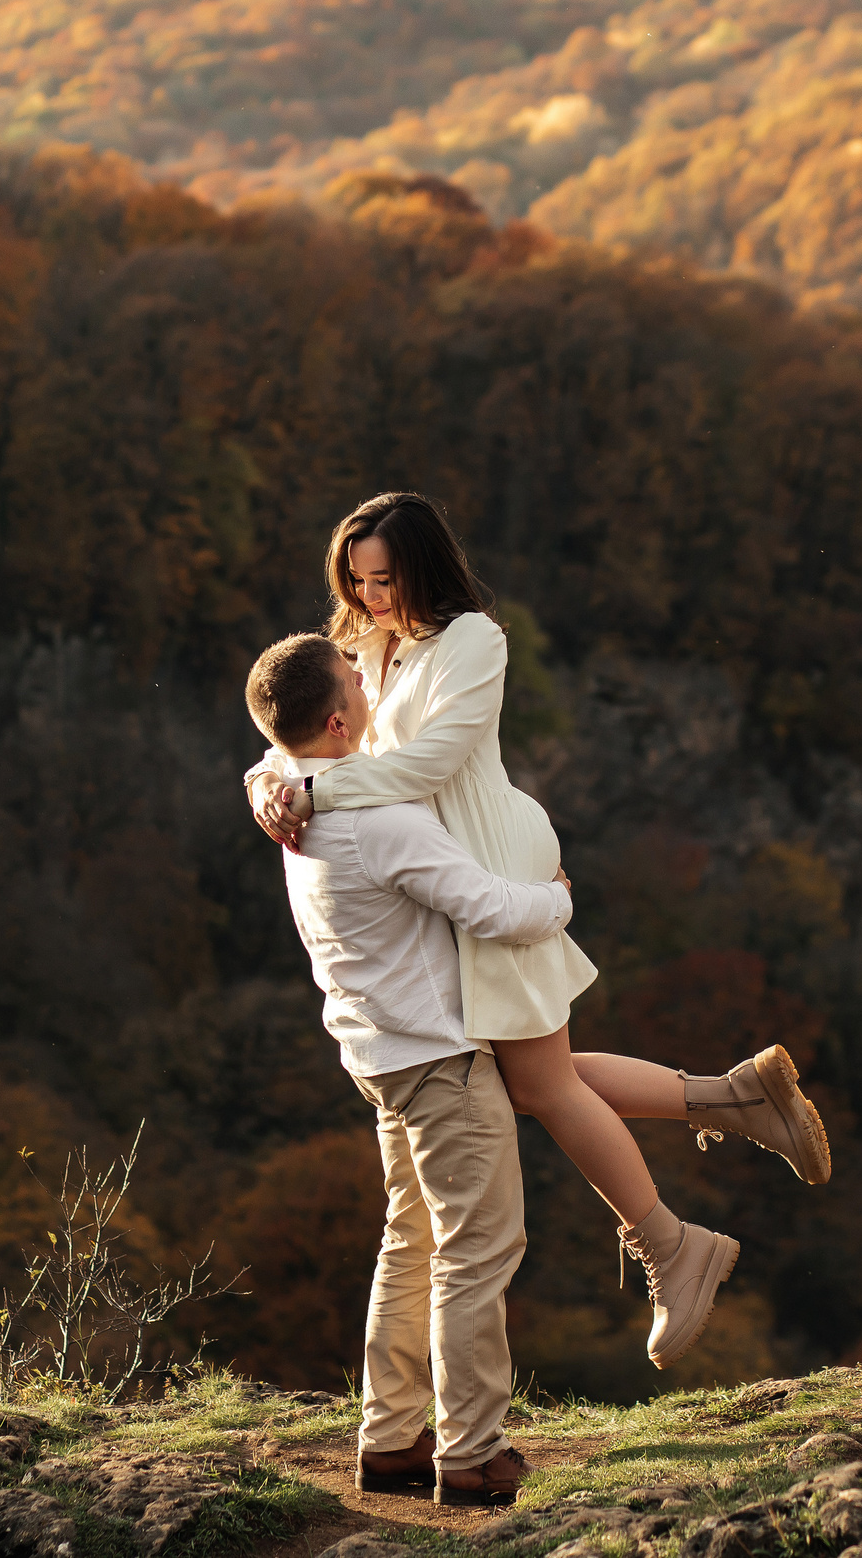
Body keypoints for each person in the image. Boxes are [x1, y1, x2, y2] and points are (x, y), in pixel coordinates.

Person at [245, 492, 831, 1372]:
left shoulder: (475, 639)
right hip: (443, 874)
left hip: (492, 861)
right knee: (530, 1075)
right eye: (356, 581)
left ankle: (677, 1245)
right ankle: (735, 1102)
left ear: (424, 567)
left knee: (538, 1085)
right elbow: (295, 724)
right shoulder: (364, 644)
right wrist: (263, 780)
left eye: (384, 578)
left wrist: (312, 793)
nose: (369, 598)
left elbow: (428, 762)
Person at [245, 629, 565, 1506]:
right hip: (441, 1058)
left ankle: (389, 1439)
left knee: (413, 1241)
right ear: (343, 720)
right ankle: (470, 1453)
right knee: (479, 1248)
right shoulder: (374, 819)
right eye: (356, 673)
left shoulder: (298, 801)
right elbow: (488, 905)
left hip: (378, 1051)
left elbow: (270, 751)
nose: (367, 669)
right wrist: (558, 896)